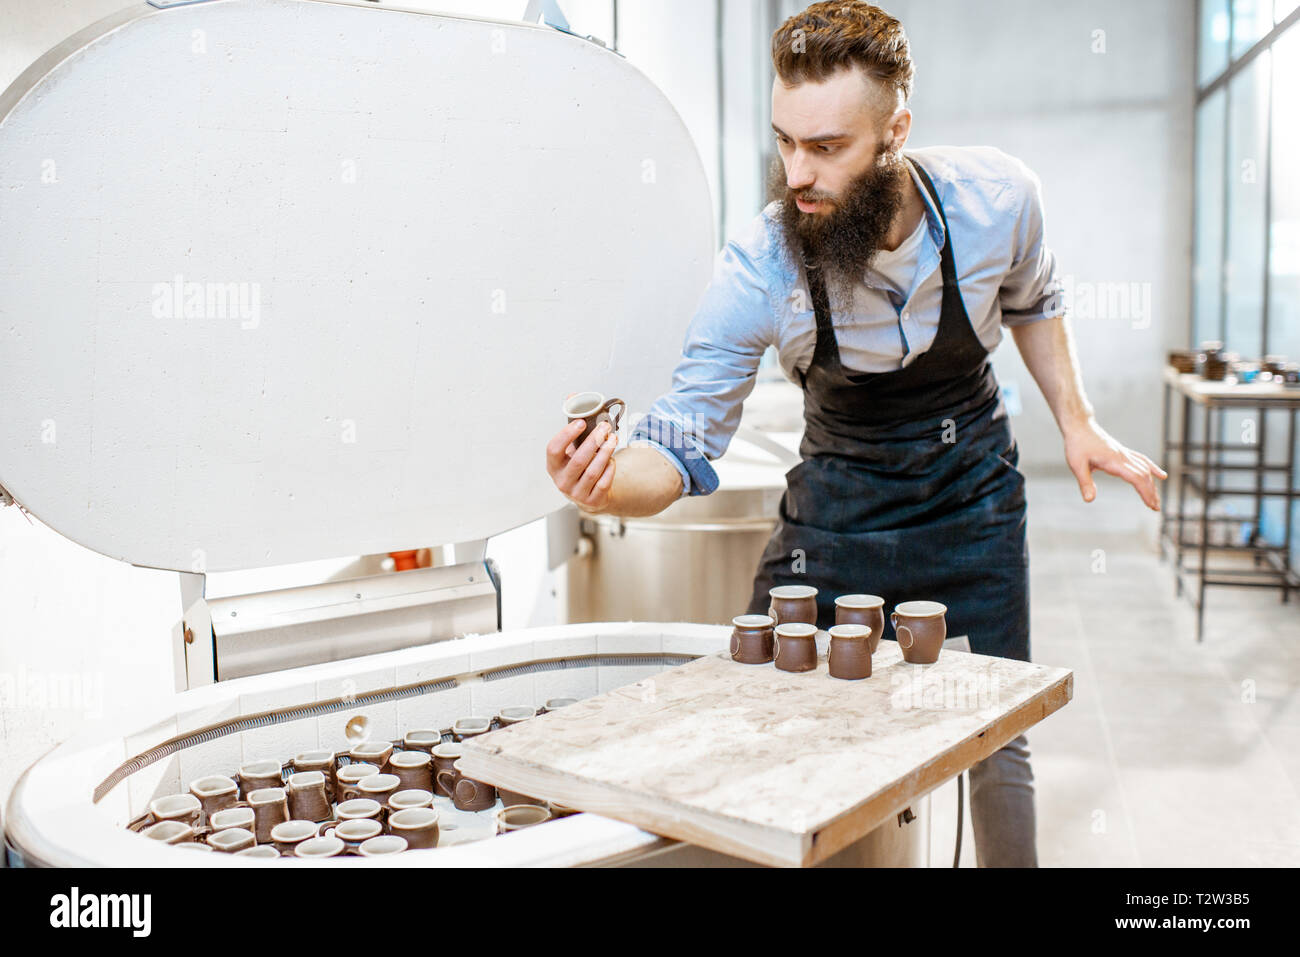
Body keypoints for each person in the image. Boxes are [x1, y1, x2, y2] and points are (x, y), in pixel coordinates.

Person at [544, 1, 1165, 867]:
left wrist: (1079, 419)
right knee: (766, 704)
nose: (798, 173)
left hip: (972, 498)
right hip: (837, 509)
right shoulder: (761, 263)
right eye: (784, 141)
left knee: (993, 730)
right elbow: (684, 441)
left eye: (827, 147)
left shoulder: (997, 201)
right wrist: (608, 482)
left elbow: (1034, 299)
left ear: (896, 129)